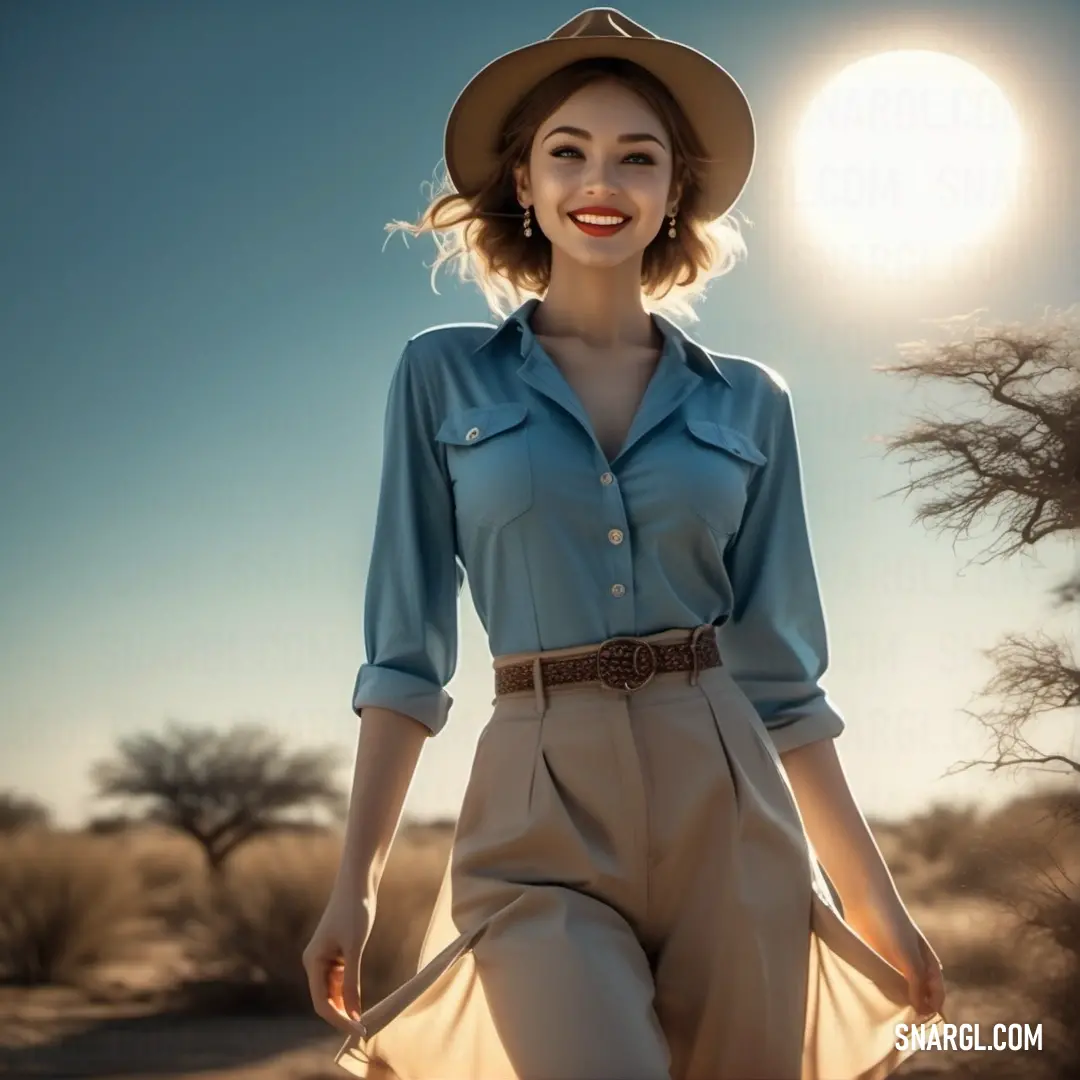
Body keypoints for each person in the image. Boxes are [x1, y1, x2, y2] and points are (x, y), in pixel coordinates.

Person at [303, 8, 947, 1079]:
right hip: (534, 814)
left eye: (635, 157)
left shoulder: (752, 403)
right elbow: (404, 660)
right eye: (569, 151)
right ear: (524, 181)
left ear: (673, 191)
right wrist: (354, 886)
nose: (601, 180)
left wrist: (878, 905)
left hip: (731, 810)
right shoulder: (440, 376)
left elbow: (784, 683)